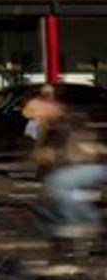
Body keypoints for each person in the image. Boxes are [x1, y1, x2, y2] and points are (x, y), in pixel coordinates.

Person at [30, 83, 107, 268]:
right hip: (77, 170)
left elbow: (79, 147)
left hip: (96, 166)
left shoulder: (74, 118)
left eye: (48, 97)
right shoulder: (52, 124)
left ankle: (90, 224)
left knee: (59, 186)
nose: (42, 102)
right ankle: (63, 253)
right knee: (47, 207)